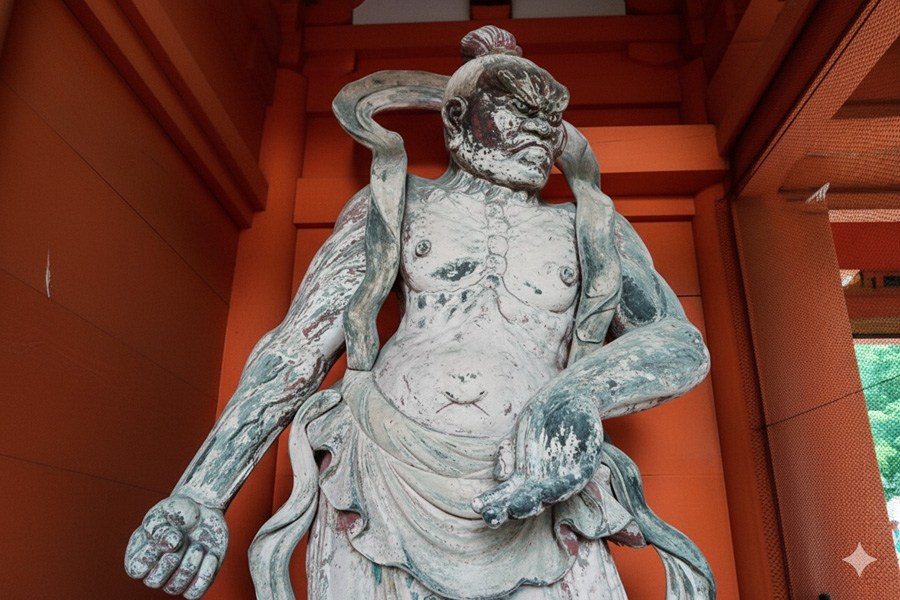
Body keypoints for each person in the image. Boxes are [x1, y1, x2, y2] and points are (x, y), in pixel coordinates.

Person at [125, 26, 714, 600]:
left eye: (551, 118)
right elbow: (299, 346)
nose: (542, 131)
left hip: (539, 483)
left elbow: (679, 343)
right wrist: (203, 491)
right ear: (458, 119)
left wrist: (576, 395)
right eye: (520, 111)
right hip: (381, 469)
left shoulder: (591, 227)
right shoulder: (395, 204)